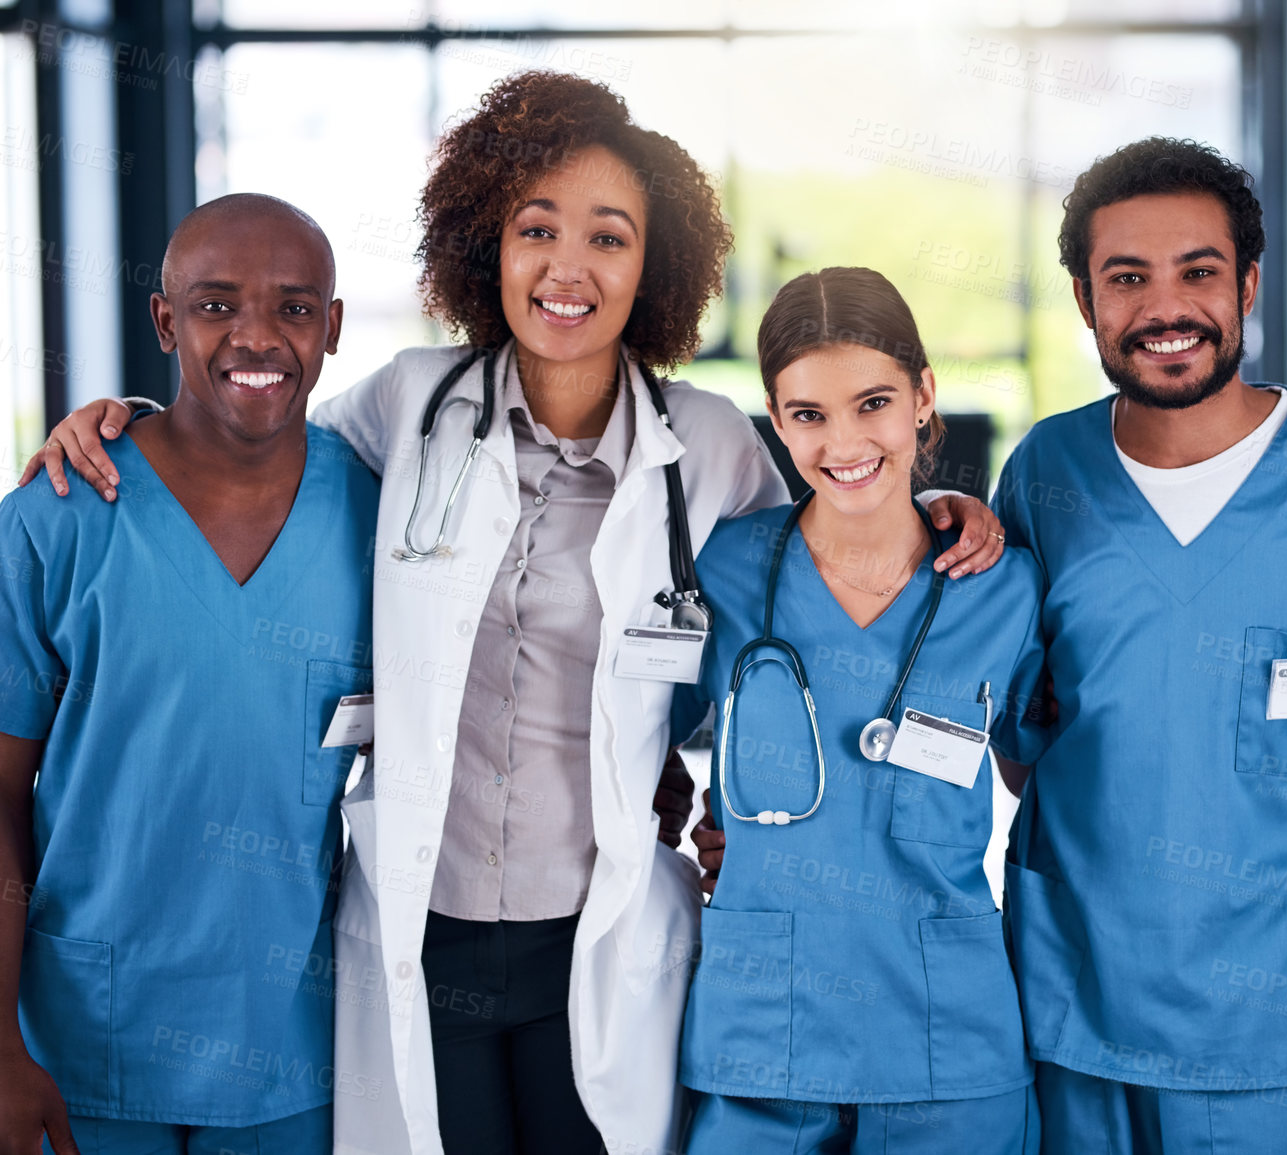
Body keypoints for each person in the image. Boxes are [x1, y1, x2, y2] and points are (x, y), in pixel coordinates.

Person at [25, 73, 1006, 1155]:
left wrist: (938, 504)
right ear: (486, 244)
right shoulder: (411, 401)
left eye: (610, 237)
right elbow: (251, 435)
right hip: (423, 934)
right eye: (536, 229)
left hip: (600, 934)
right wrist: (126, 418)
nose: (568, 268)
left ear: (655, 265)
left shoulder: (711, 443)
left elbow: (814, 587)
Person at [991, 138, 1287, 1153]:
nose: (1166, 307)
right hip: (1072, 997)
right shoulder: (1047, 471)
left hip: (1267, 1016)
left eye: (1198, 270)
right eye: (1127, 277)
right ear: (1083, 297)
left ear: (1248, 283)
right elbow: (1019, 728)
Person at [0, 194, 375, 1154]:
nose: (258, 336)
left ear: (332, 328)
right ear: (165, 320)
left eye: (295, 308)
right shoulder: (59, 515)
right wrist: (0, 1044)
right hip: (83, 1043)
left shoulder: (386, 523)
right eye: (216, 305)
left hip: (295, 1051)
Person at [673, 267, 1047, 1155]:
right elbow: (627, 741)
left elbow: (1044, 773)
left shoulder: (1001, 587)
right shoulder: (722, 569)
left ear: (922, 396)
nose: (843, 441)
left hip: (946, 1042)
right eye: (807, 414)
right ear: (774, 415)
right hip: (761, 1039)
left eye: (872, 402)